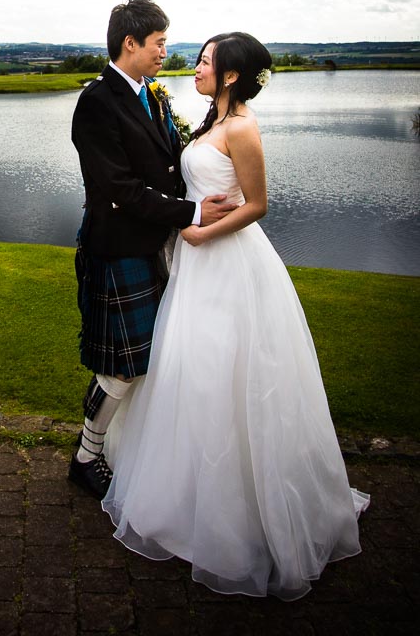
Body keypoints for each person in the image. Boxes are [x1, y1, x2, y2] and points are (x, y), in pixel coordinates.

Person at [102, 32, 370, 600]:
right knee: (193, 374)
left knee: (229, 374)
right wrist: (182, 219)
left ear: (230, 75)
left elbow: (257, 204)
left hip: (228, 263)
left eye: (205, 61)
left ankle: (243, 515)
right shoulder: (212, 121)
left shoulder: (243, 127)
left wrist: (201, 233)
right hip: (196, 266)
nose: (194, 67)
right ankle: (189, 500)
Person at [68, 0, 236, 500]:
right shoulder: (97, 102)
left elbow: (168, 165)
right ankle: (85, 458)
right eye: (159, 43)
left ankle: (125, 450)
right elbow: (120, 188)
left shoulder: (151, 95)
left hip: (155, 244)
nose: (166, 51)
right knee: (121, 367)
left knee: (149, 356)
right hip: (118, 248)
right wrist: (192, 212)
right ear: (130, 43)